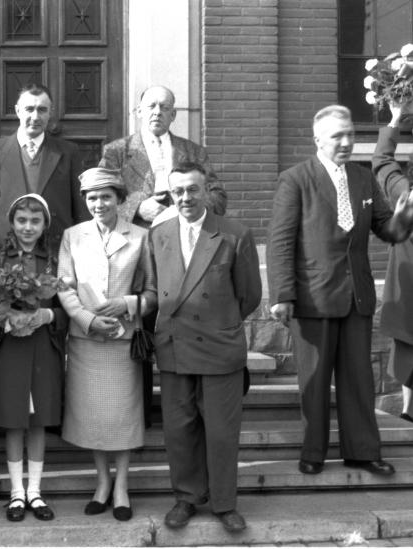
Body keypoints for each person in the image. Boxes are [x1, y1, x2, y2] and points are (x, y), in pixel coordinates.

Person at [267, 104, 413, 478]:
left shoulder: (362, 179)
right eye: (338, 136)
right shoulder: (295, 179)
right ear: (318, 139)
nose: (347, 142)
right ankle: (313, 452)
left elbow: (388, 231)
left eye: (350, 134)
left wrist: (405, 215)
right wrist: (281, 294)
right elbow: (280, 241)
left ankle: (362, 451)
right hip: (313, 297)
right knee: (314, 384)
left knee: (359, 380)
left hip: (356, 297)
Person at [150, 164, 261, 533]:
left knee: (221, 431)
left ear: (206, 190)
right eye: (178, 191)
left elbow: (249, 295)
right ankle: (186, 498)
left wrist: (218, 322)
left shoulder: (234, 234)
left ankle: (224, 503)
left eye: (193, 190)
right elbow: (155, 289)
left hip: (219, 346)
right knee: (180, 430)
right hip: (174, 346)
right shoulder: (158, 235)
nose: (185, 198)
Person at [57, 167, 157, 522]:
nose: (99, 203)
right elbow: (64, 286)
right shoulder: (73, 235)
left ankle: (122, 486)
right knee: (93, 417)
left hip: (123, 340)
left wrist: (128, 305)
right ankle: (102, 482)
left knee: (122, 416)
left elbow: (153, 292)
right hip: (86, 339)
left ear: (119, 199)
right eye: (92, 197)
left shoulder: (140, 237)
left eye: (106, 196)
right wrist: (87, 319)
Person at [0, 194, 68, 523]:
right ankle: (16, 493)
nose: (28, 227)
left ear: (45, 224)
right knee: (14, 418)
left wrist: (47, 315)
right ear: (12, 223)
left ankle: (35, 490)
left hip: (43, 345)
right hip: (10, 346)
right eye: (21, 221)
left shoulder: (55, 260)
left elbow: (68, 305)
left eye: (35, 221)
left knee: (38, 419)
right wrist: (6, 320)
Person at [0, 83, 88, 251]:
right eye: (29, 109)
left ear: (50, 113)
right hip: (4, 251)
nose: (35, 117)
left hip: (55, 250)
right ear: (18, 110)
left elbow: (80, 211)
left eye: (42, 110)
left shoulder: (68, 152)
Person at [99, 85, 227, 228]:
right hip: (133, 236)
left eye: (164, 108)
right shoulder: (116, 151)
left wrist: (186, 210)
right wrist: (136, 209)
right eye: (152, 106)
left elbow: (217, 197)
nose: (157, 112)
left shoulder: (194, 152)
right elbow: (99, 196)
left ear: (173, 115)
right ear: (139, 111)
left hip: (183, 234)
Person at [371, 99, 413, 422]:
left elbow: (382, 161)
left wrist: (395, 118)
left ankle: (407, 409)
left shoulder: (404, 195)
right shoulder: (404, 195)